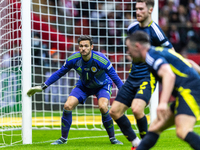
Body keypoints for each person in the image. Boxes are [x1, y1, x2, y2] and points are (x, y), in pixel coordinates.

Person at [27, 35, 123, 145]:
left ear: (92, 47)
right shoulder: (73, 59)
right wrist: (43, 86)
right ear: (79, 47)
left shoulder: (101, 59)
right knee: (67, 106)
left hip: (102, 86)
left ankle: (113, 138)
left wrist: (126, 93)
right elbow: (59, 73)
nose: (83, 48)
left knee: (103, 106)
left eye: (86, 46)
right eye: (81, 46)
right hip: (83, 86)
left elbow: (115, 77)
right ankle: (63, 139)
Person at [109, 0, 174, 149]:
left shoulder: (156, 31)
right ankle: (136, 143)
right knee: (114, 111)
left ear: (150, 10)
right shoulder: (132, 28)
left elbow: (171, 53)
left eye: (140, 9)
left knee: (137, 109)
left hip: (148, 76)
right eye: (136, 9)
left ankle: (145, 145)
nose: (137, 12)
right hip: (133, 76)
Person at [126, 31, 200, 150]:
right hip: (187, 92)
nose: (128, 53)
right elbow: (189, 63)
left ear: (137, 46)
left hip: (190, 92)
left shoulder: (150, 56)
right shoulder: (159, 52)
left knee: (183, 131)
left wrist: (163, 103)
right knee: (156, 127)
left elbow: (169, 75)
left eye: (128, 48)